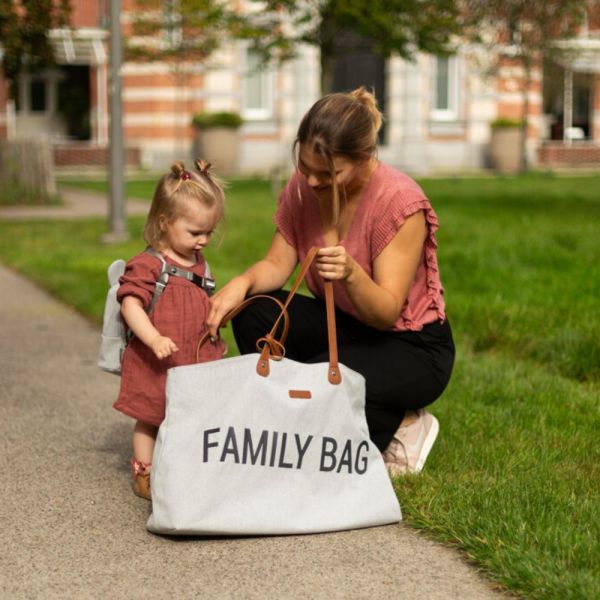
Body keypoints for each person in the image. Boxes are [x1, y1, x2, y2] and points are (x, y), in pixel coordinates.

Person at [207, 87, 455, 476]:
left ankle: (405, 424)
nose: (313, 180)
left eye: (329, 173)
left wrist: (353, 273)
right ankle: (333, 414)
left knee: (319, 382)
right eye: (306, 167)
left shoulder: (399, 202)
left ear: (363, 158)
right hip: (345, 326)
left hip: (411, 346)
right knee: (257, 313)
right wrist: (241, 283)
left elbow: (386, 310)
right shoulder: (305, 185)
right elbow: (277, 263)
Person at [114, 159, 225, 499]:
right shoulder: (150, 264)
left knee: (191, 412)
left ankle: (185, 464)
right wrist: (153, 338)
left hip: (192, 353)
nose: (203, 240)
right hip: (157, 357)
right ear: (164, 222)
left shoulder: (198, 262)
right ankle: (145, 472)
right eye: (195, 232)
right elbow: (130, 303)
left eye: (209, 232)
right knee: (150, 416)